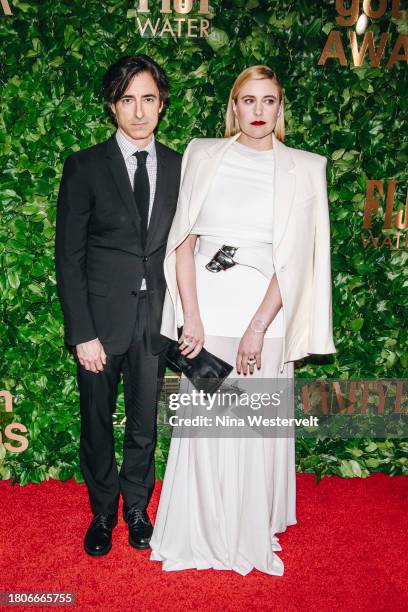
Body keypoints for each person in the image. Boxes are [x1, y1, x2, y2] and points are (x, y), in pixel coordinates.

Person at [150, 65, 336, 575]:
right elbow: (183, 243)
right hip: (207, 316)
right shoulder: (202, 154)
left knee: (251, 426)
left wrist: (258, 327)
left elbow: (296, 259)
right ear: (233, 106)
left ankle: (248, 527)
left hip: (266, 321)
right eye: (248, 101)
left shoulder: (306, 167)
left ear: (280, 108)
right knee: (209, 427)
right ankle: (204, 529)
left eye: (269, 101)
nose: (258, 112)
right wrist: (191, 317)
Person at [55, 55, 181, 556]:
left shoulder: (178, 165)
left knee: (144, 425)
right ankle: (103, 511)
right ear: (113, 106)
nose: (138, 111)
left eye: (148, 99)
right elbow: (69, 256)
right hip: (100, 325)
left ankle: (136, 507)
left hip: (155, 322)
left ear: (161, 104)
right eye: (127, 99)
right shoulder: (84, 166)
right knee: (96, 421)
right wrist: (81, 331)